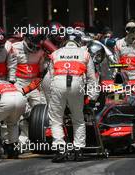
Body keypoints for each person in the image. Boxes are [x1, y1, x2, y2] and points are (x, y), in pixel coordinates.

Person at [48, 34, 98, 163]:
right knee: (78, 118)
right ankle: (78, 150)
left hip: (58, 83)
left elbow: (49, 78)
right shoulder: (85, 53)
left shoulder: (55, 53)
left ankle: (60, 150)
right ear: (78, 43)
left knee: (56, 119)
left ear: (64, 42)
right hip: (77, 84)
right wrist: (92, 98)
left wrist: (51, 98)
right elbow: (92, 78)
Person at [8, 30, 45, 144]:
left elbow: (42, 68)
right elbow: (10, 66)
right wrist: (11, 84)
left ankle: (30, 138)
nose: (34, 48)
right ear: (26, 40)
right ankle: (13, 140)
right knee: (18, 110)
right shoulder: (14, 47)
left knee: (39, 109)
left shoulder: (42, 49)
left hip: (34, 83)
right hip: (18, 82)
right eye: (32, 44)